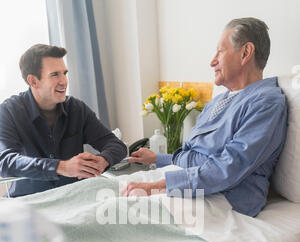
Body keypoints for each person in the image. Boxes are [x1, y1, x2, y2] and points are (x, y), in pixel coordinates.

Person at [122, 17, 288, 217]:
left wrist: (158, 186)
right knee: (100, 194)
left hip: (225, 197)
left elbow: (228, 167)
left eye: (220, 51)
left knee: (117, 217)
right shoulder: (218, 102)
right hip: (190, 184)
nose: (212, 61)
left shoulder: (265, 103)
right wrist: (158, 158)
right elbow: (193, 154)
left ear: (245, 53)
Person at [0, 44, 127, 197]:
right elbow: (5, 162)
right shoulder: (9, 111)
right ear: (33, 81)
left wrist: (103, 160)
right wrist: (61, 167)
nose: (64, 81)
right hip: (28, 202)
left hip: (72, 199)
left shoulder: (76, 108)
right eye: (55, 75)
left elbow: (115, 144)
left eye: (64, 73)